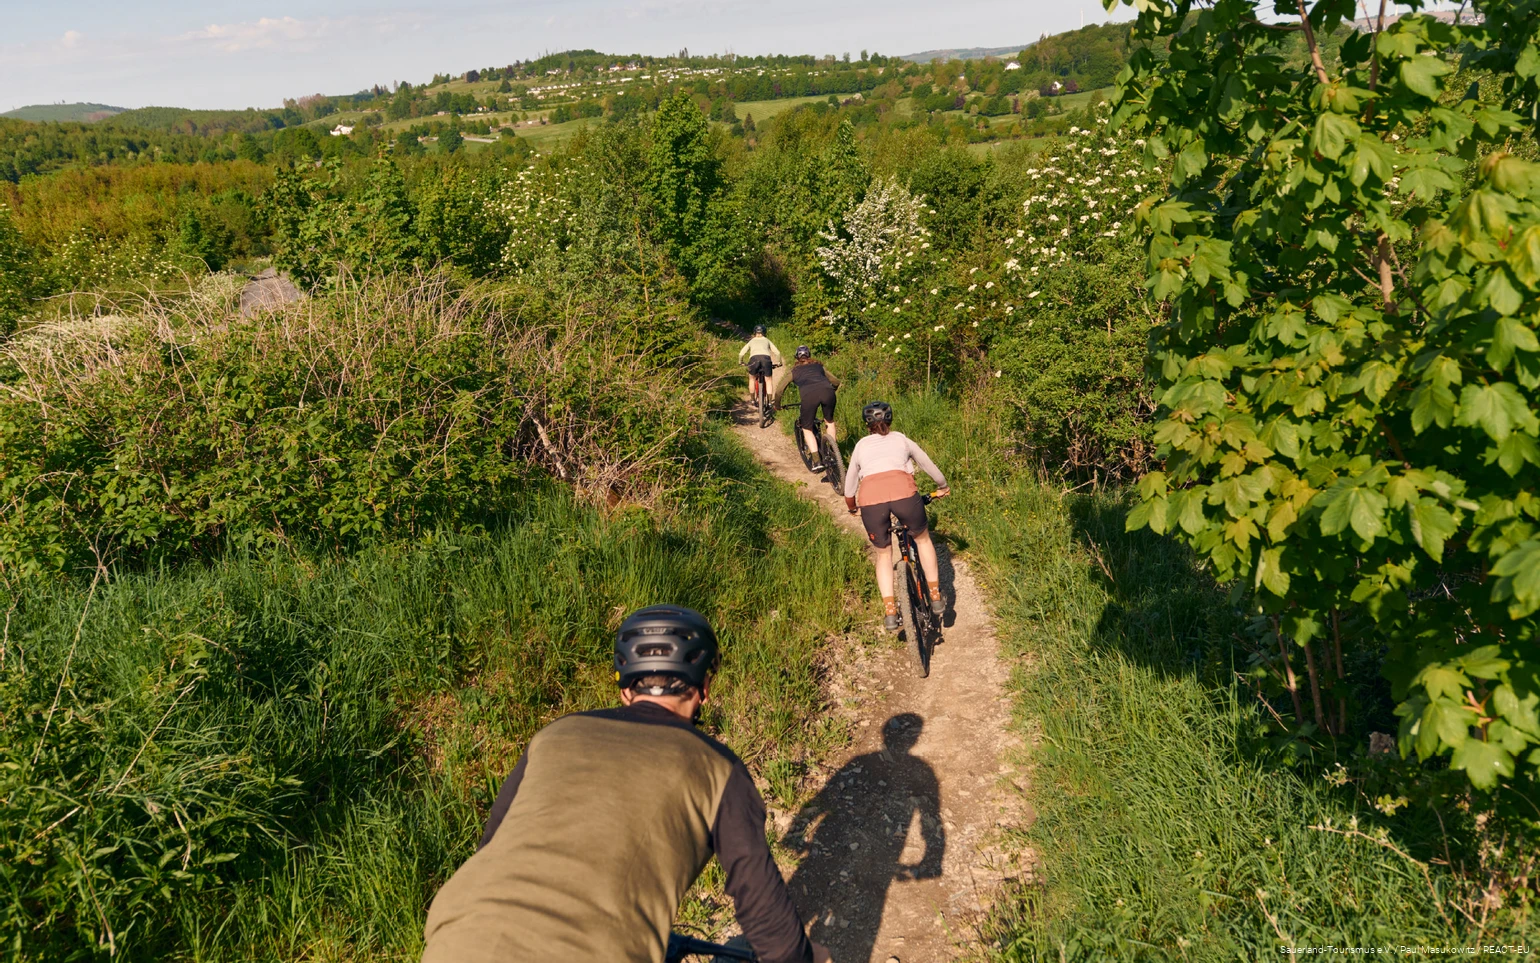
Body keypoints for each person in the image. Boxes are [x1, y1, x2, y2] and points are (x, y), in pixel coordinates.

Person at [421, 605, 833, 963]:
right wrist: (808, 956)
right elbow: (768, 925)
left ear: (623, 687)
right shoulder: (717, 768)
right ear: (705, 687)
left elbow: (491, 845)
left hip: (458, 933)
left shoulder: (555, 735)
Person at [843, 402, 950, 631]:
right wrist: (942, 485)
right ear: (890, 420)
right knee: (922, 539)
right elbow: (926, 463)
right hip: (904, 495)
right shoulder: (901, 438)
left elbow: (850, 484)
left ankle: (891, 611)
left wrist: (852, 506)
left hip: (871, 501)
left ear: (866, 425)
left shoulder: (861, 445)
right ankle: (934, 594)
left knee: (883, 555)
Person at [773, 346, 841, 472]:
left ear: (797, 358)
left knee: (807, 428)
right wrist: (831, 391)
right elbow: (836, 381)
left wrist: (777, 405)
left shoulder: (794, 371)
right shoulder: (819, 366)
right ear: (809, 356)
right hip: (828, 392)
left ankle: (817, 460)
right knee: (829, 421)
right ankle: (833, 452)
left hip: (809, 396)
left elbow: (779, 390)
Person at [738, 325, 784, 404]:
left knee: (752, 379)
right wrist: (779, 362)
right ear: (764, 332)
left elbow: (741, 354)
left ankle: (752, 399)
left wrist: (740, 362)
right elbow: (778, 353)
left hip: (754, 360)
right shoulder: (767, 340)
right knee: (768, 380)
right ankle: (769, 402)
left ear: (754, 332)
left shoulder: (751, 341)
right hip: (766, 360)